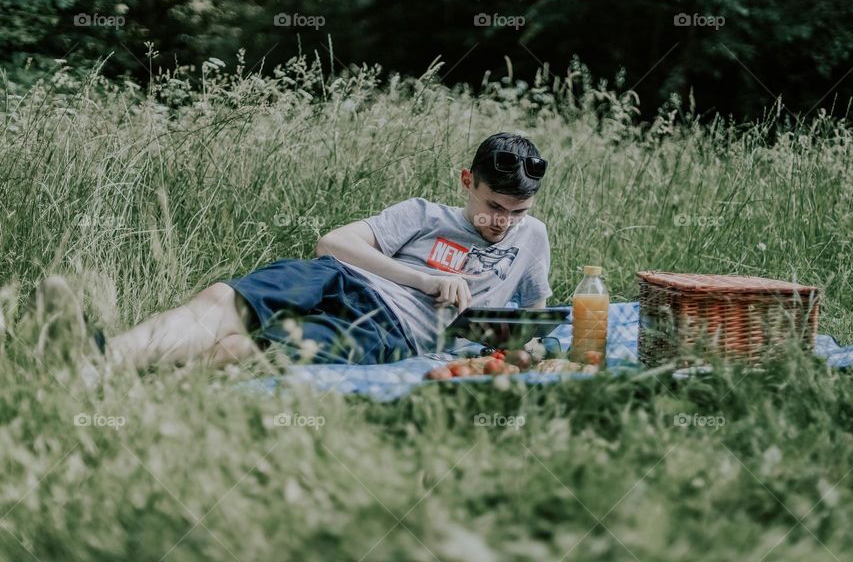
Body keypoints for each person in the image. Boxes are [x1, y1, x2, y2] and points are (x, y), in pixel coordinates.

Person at [23, 133, 553, 369]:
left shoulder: (533, 239)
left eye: (516, 212)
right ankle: (93, 361)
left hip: (386, 330)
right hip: (334, 277)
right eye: (492, 206)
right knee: (218, 301)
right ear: (467, 181)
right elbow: (333, 244)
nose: (501, 223)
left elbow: (535, 314)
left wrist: (528, 348)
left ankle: (124, 380)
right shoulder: (422, 214)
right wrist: (424, 279)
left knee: (243, 351)